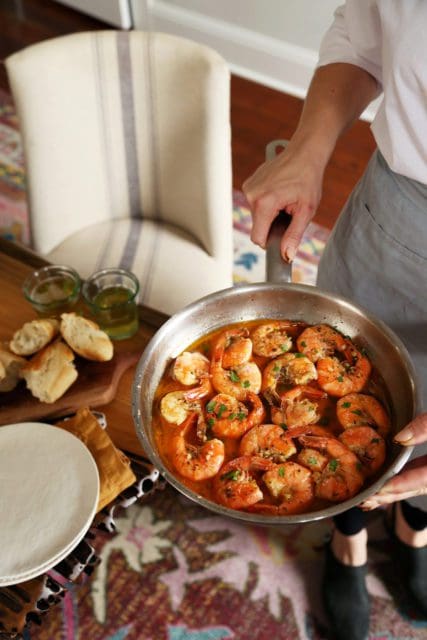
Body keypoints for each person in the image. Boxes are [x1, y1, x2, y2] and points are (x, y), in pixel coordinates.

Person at [242, 2, 427, 639]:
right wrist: (307, 149)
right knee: (360, 428)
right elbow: (367, 35)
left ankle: (415, 531)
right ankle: (347, 540)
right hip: (404, 216)